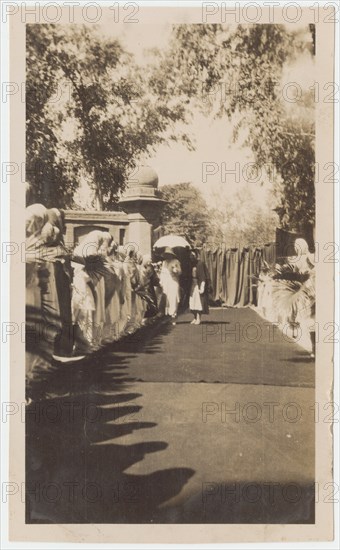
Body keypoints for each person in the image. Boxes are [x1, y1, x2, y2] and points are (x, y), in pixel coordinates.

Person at [159, 247, 182, 324]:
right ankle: (167, 316)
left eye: (169, 254)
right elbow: (162, 273)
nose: (167, 256)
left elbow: (180, 272)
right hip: (166, 282)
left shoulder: (176, 261)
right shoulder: (164, 262)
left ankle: (174, 315)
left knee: (173, 298)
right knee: (167, 299)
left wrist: (175, 270)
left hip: (173, 282)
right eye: (166, 254)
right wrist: (161, 282)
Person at [189, 249, 210, 325]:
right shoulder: (191, 264)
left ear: (196, 255)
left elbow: (202, 276)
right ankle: (194, 317)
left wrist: (202, 287)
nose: (191, 257)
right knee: (192, 301)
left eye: (192, 255)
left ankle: (198, 318)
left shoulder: (200, 264)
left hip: (198, 284)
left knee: (198, 302)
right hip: (192, 284)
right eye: (190, 255)